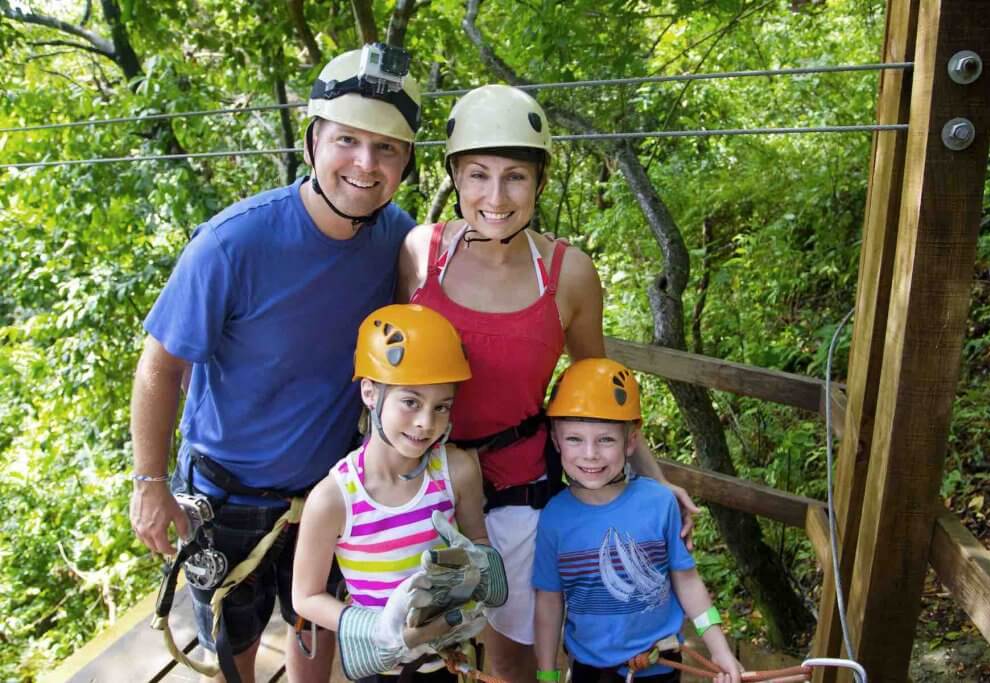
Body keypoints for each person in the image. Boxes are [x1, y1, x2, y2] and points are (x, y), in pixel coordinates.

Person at [129, 44, 422, 683]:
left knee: (313, 629)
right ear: (315, 140)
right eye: (348, 140)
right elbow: (160, 366)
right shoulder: (234, 244)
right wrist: (149, 485)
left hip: (328, 491)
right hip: (226, 494)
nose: (366, 165)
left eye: (388, 149)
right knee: (233, 647)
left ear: (405, 163)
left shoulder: (395, 237)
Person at [397, 84, 699, 683]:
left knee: (514, 657)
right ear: (455, 176)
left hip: (517, 493)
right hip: (425, 491)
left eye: (515, 177)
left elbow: (599, 393)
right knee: (428, 654)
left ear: (539, 182)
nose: (495, 196)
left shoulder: (568, 275)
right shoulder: (418, 254)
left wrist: (657, 484)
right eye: (478, 175)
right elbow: (386, 380)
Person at [292, 304, 508, 682]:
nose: (427, 423)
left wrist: (481, 572)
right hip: (380, 667)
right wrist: (382, 629)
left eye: (442, 407)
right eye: (411, 402)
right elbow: (305, 597)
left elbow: (477, 538)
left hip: (447, 661)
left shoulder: (455, 471)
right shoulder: (333, 499)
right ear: (370, 393)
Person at [533, 359, 742, 683]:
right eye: (575, 439)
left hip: (661, 666)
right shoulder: (554, 518)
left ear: (631, 441)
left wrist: (720, 649)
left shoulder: (659, 504)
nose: (590, 454)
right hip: (592, 671)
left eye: (606, 440)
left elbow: (687, 581)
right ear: (556, 440)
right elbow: (549, 601)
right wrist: (547, 673)